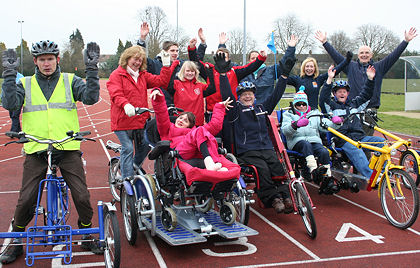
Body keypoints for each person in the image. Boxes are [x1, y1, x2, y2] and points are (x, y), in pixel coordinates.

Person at [0, 40, 102, 264]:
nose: (47, 63)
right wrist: (9, 75)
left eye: (50, 59)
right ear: (35, 61)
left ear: (57, 59)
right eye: (42, 59)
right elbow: (9, 103)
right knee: (26, 198)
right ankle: (16, 240)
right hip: (37, 149)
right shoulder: (25, 83)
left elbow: (91, 98)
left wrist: (92, 70)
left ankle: (85, 233)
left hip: (67, 147)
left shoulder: (70, 80)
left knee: (82, 195)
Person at [218, 50, 297, 214]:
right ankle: (273, 199)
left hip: (266, 147)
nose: (248, 97)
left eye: (250, 94)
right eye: (244, 95)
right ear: (239, 97)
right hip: (248, 150)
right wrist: (224, 75)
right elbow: (227, 95)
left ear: (255, 96)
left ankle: (285, 196)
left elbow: (276, 95)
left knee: (278, 167)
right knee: (262, 169)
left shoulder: (262, 107)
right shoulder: (235, 110)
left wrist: (283, 76)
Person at [315, 28, 417, 133]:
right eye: (362, 53)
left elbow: (393, 56)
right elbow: (336, 56)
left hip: (370, 109)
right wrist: (325, 42)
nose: (364, 55)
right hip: (353, 109)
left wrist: (405, 41)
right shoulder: (351, 66)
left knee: (367, 141)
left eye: (367, 53)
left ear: (371, 55)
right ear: (358, 55)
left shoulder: (379, 67)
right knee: (351, 137)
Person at [106, 45, 177, 181]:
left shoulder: (142, 75)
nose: (137, 63)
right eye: (135, 59)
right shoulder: (117, 75)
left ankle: (132, 166)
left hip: (140, 120)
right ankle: (128, 182)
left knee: (145, 146)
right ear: (127, 58)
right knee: (127, 148)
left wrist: (167, 66)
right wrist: (126, 105)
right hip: (122, 121)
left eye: (140, 60)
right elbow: (116, 93)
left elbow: (162, 81)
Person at [319, 65, 385, 180]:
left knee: (383, 143)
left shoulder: (355, 104)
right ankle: (372, 177)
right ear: (334, 94)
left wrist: (370, 79)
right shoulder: (331, 107)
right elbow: (323, 98)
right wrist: (329, 79)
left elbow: (366, 94)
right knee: (357, 150)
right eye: (339, 91)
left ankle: (384, 172)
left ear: (348, 93)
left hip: (360, 137)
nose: (342, 93)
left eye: (344, 91)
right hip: (343, 140)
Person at [281, 88, 341, 194]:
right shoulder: (288, 114)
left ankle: (327, 178)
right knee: (306, 145)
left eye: (304, 104)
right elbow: (285, 130)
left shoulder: (315, 113)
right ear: (294, 105)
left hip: (314, 140)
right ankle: (313, 170)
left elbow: (324, 125)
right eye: (298, 104)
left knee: (324, 151)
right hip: (297, 141)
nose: (301, 106)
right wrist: (295, 125)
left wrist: (336, 123)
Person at [286, 38, 352, 110]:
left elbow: (335, 71)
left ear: (315, 68)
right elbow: (282, 76)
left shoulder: (318, 79)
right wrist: (290, 50)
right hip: (300, 112)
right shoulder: (297, 79)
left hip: (314, 113)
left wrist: (347, 61)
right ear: (303, 68)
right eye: (307, 66)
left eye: (311, 66)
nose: (309, 68)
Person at [137, 22, 183, 105]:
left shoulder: (182, 64)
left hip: (180, 104)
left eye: (177, 51)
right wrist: (142, 39)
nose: (175, 53)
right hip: (163, 105)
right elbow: (141, 58)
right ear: (164, 52)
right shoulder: (155, 64)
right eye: (172, 51)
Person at [167, 60, 216, 126]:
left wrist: (209, 71)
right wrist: (175, 67)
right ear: (183, 72)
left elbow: (212, 88)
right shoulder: (177, 84)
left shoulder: (200, 86)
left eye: (192, 71)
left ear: (195, 73)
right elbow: (168, 84)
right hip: (181, 123)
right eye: (187, 71)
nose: (190, 73)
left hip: (197, 123)